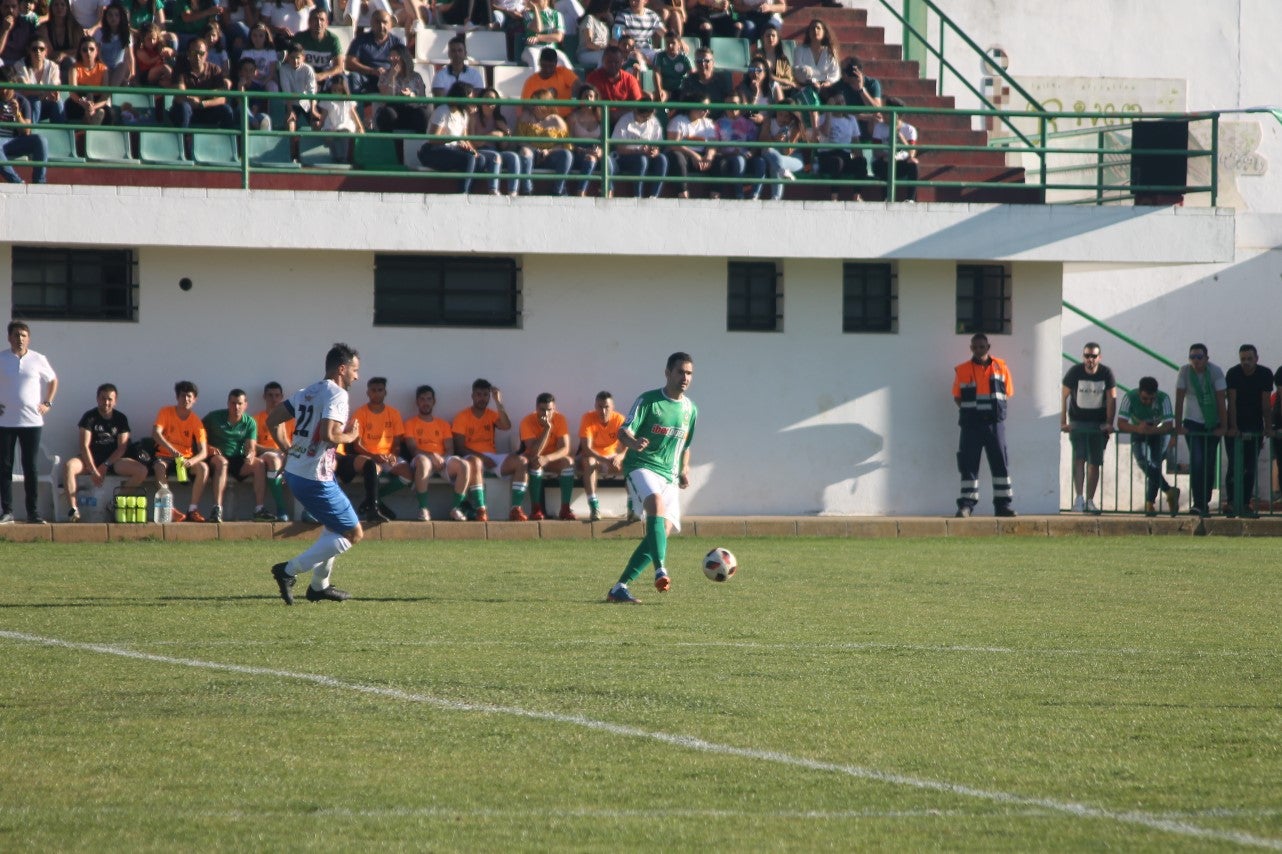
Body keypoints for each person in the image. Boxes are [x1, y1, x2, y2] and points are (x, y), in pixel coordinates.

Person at [268, 342, 364, 604]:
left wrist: (288, 449)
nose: (357, 376)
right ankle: (288, 571)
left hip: (297, 472)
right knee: (353, 533)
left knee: (334, 527)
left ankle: (319, 586)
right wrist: (352, 435)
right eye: (355, 370)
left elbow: (272, 420)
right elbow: (329, 435)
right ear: (342, 369)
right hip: (315, 477)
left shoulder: (306, 391)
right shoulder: (338, 395)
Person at [606, 352, 696, 604]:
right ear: (668, 373)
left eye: (689, 373)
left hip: (668, 476)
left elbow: (686, 445)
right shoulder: (648, 401)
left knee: (661, 533)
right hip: (641, 466)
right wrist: (634, 443)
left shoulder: (691, 409)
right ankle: (661, 570)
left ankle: (619, 588)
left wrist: (684, 469)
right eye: (680, 372)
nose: (685, 377)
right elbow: (623, 431)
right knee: (655, 504)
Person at [63, 383, 149, 522]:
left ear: (115, 401)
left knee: (142, 471)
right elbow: (84, 446)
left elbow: (122, 447)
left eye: (109, 399)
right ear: (97, 399)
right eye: (103, 398)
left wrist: (106, 465)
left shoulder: (121, 418)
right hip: (90, 459)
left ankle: (114, 504)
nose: (106, 402)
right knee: (69, 466)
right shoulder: (89, 417)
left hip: (113, 460)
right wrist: (93, 470)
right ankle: (74, 510)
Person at [0, 320, 57, 524]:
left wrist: (47, 403)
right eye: (16, 335)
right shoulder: (2, 358)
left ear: (29, 338)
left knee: (30, 466)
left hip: (32, 422)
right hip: (5, 422)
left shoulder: (38, 359)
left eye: (23, 335)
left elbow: (52, 380)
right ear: (9, 337)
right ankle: (7, 512)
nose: (20, 338)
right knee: (4, 466)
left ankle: (33, 513)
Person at [953, 332, 1016, 517]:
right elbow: (957, 396)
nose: (979, 350)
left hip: (995, 425)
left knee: (1000, 464)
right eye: (975, 347)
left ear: (988, 347)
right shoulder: (962, 369)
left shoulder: (1001, 367)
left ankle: (1002, 506)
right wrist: (971, 412)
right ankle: (966, 505)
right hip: (971, 425)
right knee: (968, 465)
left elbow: (1008, 392)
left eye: (982, 346)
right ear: (971, 348)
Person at [1060, 341, 1116, 514]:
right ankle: (1078, 498)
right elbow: (1063, 395)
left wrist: (1109, 422)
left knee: (1094, 463)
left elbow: (1112, 398)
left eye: (1093, 356)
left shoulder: (1106, 373)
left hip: (1099, 424)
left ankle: (1090, 500)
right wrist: (1063, 421)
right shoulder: (1075, 372)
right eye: (1087, 356)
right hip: (1078, 421)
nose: (1090, 359)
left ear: (1099, 357)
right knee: (1079, 459)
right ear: (1083, 356)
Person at [402, 384, 472, 521]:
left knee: (465, 465)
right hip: (421, 459)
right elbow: (412, 449)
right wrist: (431, 456)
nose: (425, 403)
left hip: (442, 460)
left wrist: (441, 459)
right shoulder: (410, 423)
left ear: (434, 401)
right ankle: (423, 509)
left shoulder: (443, 424)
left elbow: (450, 448)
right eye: (422, 399)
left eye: (429, 399)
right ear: (417, 402)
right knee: (423, 462)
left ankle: (456, 508)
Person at [343, 375, 407, 523]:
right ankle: (374, 504)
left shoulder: (394, 413)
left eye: (380, 390)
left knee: (408, 473)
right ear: (368, 392)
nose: (377, 393)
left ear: (385, 392)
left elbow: (397, 442)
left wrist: (393, 455)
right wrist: (373, 456)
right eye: (373, 390)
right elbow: (356, 445)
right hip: (370, 457)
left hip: (387, 456)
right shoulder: (360, 413)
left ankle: (371, 500)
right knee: (374, 470)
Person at [203, 388, 272, 523]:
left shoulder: (249, 422)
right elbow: (197, 434)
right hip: (217, 456)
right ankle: (217, 509)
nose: (236, 407)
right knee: (222, 462)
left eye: (239, 403)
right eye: (233, 403)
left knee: (259, 464)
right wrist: (207, 447)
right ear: (228, 403)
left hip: (238, 459)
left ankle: (259, 509)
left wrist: (250, 455)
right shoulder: (213, 417)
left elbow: (251, 446)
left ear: (245, 405)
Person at [1174, 343, 1227, 518]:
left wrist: (1223, 426)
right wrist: (1178, 425)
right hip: (1192, 422)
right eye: (1192, 357)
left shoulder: (1215, 372)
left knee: (1209, 462)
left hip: (1212, 421)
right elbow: (1179, 398)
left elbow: (1221, 400)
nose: (1195, 361)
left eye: (1199, 357)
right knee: (1197, 462)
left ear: (1206, 358)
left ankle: (1205, 500)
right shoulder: (1184, 372)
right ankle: (1198, 503)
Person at [450, 377, 512, 523]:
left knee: (520, 461)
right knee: (476, 462)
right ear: (472, 396)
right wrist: (483, 458)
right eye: (478, 394)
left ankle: (516, 509)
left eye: (485, 395)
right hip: (471, 456)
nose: (482, 398)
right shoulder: (462, 416)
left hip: (491, 455)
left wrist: (498, 402)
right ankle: (480, 509)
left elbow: (506, 426)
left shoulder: (491, 414)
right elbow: (460, 447)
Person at [419, 80, 498, 194]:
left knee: (480, 159)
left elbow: (464, 138)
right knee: (469, 158)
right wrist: (455, 139)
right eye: (469, 98)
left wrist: (472, 149)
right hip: (433, 151)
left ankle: (470, 190)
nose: (471, 101)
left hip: (452, 150)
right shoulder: (442, 111)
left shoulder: (463, 115)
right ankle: (463, 192)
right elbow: (433, 139)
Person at [1116, 376, 1179, 517]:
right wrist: (1138, 428)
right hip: (1138, 432)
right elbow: (1121, 423)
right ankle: (1169, 490)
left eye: (1151, 399)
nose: (1148, 402)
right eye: (1145, 399)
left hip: (1159, 433)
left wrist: (1152, 430)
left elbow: (1169, 425)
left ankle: (1149, 503)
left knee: (1155, 465)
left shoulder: (1164, 398)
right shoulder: (1129, 397)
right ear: (1139, 392)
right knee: (1142, 461)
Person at [1223, 343, 1273, 518]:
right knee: (1234, 466)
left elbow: (1266, 404)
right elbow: (1232, 402)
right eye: (1243, 359)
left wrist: (1268, 427)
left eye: (1249, 359)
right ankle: (1230, 503)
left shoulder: (1265, 374)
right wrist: (1234, 427)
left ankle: (1245, 504)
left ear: (1256, 359)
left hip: (1255, 425)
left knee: (1250, 467)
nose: (1246, 362)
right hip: (1234, 424)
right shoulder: (1233, 373)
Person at [152, 380, 212, 522]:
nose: (186, 399)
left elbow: (203, 452)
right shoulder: (165, 412)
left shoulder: (196, 421)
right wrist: (171, 449)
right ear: (177, 397)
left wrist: (191, 462)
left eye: (189, 396)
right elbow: (155, 433)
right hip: (164, 456)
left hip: (184, 460)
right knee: (159, 467)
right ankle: (168, 508)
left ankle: (192, 509)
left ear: (194, 399)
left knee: (203, 467)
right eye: (183, 395)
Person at [168, 38, 235, 157]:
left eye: (201, 53)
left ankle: (228, 151)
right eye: (194, 53)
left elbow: (222, 98)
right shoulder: (180, 69)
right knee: (183, 108)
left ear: (206, 54)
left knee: (227, 110)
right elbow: (179, 94)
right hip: (186, 110)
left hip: (206, 109)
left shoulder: (215, 70)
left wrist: (202, 102)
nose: (197, 57)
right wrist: (205, 96)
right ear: (188, 54)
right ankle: (183, 151)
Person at [516, 391, 575, 520]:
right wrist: (547, 429)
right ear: (536, 408)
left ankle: (565, 508)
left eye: (549, 410)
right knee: (536, 462)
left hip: (551, 459)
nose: (546, 414)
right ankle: (536, 509)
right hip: (534, 458)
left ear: (554, 409)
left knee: (568, 462)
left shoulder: (560, 419)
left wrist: (547, 458)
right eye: (542, 410)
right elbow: (533, 451)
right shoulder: (527, 421)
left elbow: (565, 448)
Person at [514, 87, 573, 196]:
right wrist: (535, 150)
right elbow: (519, 141)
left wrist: (549, 151)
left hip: (549, 156)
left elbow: (565, 145)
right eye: (533, 102)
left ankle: (558, 190)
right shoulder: (526, 117)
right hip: (532, 154)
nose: (534, 106)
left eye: (537, 102)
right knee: (525, 152)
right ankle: (527, 190)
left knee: (567, 155)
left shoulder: (557, 121)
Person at [577, 390, 625, 521]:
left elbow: (628, 445)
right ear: (595, 406)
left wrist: (619, 457)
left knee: (632, 463)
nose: (603, 411)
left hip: (613, 458)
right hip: (595, 458)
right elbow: (586, 448)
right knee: (589, 462)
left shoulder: (619, 419)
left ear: (612, 407)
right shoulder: (587, 418)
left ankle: (633, 507)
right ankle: (594, 507)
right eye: (600, 407)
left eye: (606, 407)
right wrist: (603, 459)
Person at [0, 67, 49, 185]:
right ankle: (17, 182)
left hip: (15, 141)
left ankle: (39, 183)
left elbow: (26, 131)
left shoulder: (22, 101)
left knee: (40, 140)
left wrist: (17, 114)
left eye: (8, 86)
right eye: (1, 86)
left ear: (14, 84)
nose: (4, 91)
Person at [253, 381, 293, 521]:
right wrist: (273, 449)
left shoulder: (291, 420)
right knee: (273, 458)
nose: (274, 399)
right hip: (267, 455)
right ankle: (281, 509)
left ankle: (309, 511)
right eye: (270, 395)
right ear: (264, 397)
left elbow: (296, 444)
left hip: (287, 455)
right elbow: (252, 445)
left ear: (281, 397)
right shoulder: (256, 419)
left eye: (277, 395)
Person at [609, 102, 665, 198]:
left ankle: (654, 196)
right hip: (627, 157)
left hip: (647, 155)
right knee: (641, 160)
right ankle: (637, 196)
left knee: (662, 159)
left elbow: (658, 144)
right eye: (644, 117)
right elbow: (619, 149)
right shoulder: (624, 121)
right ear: (636, 112)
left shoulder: (654, 121)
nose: (647, 119)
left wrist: (655, 151)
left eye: (649, 117)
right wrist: (638, 151)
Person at [870, 96, 919, 202]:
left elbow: (912, 153)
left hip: (900, 163)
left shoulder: (909, 129)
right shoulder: (879, 127)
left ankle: (910, 199)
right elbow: (876, 152)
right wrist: (887, 156)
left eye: (887, 111)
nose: (883, 113)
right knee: (884, 163)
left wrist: (900, 137)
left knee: (913, 164)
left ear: (898, 115)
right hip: (883, 162)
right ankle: (886, 198)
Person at [343, 9, 401, 97]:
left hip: (389, 78)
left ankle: (395, 108)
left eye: (385, 22)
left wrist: (389, 72)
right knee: (354, 77)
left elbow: (403, 63)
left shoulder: (397, 42)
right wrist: (372, 71)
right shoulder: (361, 39)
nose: (381, 26)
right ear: (371, 23)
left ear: (390, 25)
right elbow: (349, 63)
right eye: (378, 22)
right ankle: (356, 108)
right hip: (366, 77)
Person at [520, 46, 578, 117]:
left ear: (556, 63)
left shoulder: (564, 72)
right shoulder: (531, 81)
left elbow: (579, 87)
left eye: (551, 66)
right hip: (541, 120)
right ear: (539, 62)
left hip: (566, 118)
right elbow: (525, 105)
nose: (547, 70)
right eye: (544, 66)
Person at [294, 8, 344, 90]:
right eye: (315, 19)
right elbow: (291, 60)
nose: (318, 23)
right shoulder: (300, 38)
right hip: (304, 73)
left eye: (322, 20)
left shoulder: (333, 40)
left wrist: (322, 76)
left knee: (342, 79)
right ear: (309, 22)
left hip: (325, 75)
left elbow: (339, 66)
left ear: (327, 23)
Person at [66, 36, 111, 126]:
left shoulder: (103, 69)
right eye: (84, 50)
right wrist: (84, 104)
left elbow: (105, 96)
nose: (88, 53)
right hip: (79, 102)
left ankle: (88, 128)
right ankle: (91, 125)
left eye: (91, 49)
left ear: (96, 51)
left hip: (97, 103)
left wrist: (93, 107)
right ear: (80, 52)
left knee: (106, 112)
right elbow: (73, 93)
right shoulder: (74, 68)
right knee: (87, 94)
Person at [584, 45, 641, 112]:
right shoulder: (593, 78)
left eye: (616, 62)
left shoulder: (630, 79)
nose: (613, 65)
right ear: (603, 61)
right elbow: (587, 103)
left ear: (622, 62)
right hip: (599, 117)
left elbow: (637, 104)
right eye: (609, 62)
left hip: (624, 118)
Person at [791, 18, 838, 88]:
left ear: (824, 32)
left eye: (818, 28)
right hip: (806, 85)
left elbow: (835, 73)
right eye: (813, 28)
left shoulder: (829, 51)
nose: (815, 30)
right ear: (809, 33)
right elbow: (797, 70)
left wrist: (828, 82)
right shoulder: (800, 49)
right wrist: (812, 81)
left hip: (825, 87)